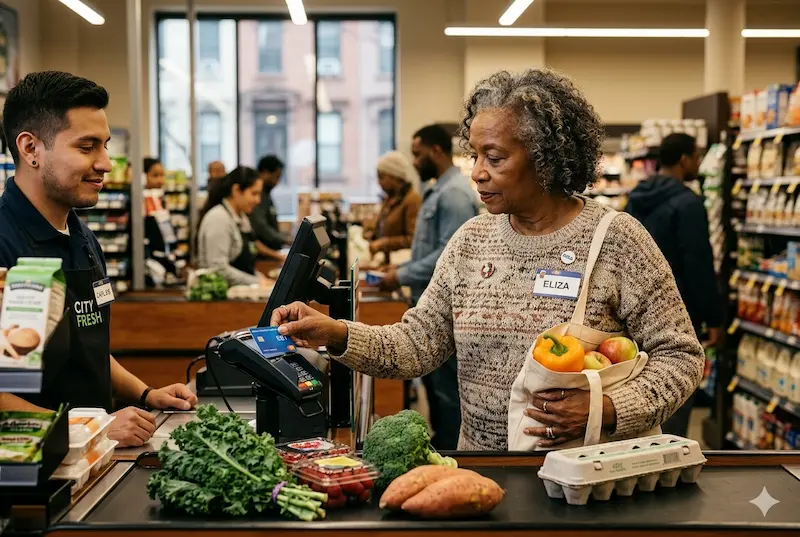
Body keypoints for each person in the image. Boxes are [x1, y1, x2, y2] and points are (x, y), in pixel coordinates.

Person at [271, 68, 705, 451]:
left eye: (494, 158)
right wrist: (336, 333)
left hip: (587, 478)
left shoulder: (618, 240)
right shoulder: (470, 242)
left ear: (544, 159)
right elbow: (417, 345)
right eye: (475, 155)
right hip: (485, 472)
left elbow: (682, 357)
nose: (477, 171)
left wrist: (607, 407)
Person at [0, 71, 197, 445]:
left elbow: (85, 347)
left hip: (92, 465)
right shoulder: (5, 249)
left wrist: (144, 393)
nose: (106, 163)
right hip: (33, 478)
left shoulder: (82, 236)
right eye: (87, 146)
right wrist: (95, 428)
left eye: (104, 145)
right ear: (30, 149)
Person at [379, 124, 479, 451]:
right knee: (435, 386)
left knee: (447, 390)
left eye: (418, 153)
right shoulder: (438, 189)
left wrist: (402, 274)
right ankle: (441, 441)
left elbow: (449, 254)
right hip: (428, 301)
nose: (414, 160)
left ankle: (452, 452)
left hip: (448, 309)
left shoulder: (455, 195)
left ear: (436, 151)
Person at [625, 132, 723, 437]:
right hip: (679, 312)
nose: (697, 162)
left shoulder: (636, 197)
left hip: (634, 313)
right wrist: (714, 316)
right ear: (683, 159)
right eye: (695, 156)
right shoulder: (688, 203)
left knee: (637, 388)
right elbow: (697, 263)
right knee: (675, 389)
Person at [197, 166, 270, 287]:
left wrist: (261, 279)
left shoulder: (242, 217)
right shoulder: (218, 219)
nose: (258, 200)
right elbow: (218, 269)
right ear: (236, 190)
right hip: (222, 299)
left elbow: (245, 267)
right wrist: (256, 282)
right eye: (254, 193)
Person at [365, 150, 422, 265]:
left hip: (401, 266)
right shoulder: (390, 199)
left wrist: (383, 244)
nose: (379, 182)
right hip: (387, 264)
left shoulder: (412, 200)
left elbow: (413, 239)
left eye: (381, 177)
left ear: (395, 176)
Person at [249, 155, 290, 262]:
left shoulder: (266, 194)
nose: (277, 182)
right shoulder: (259, 196)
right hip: (262, 257)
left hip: (270, 252)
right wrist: (284, 239)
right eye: (276, 177)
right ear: (265, 172)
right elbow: (260, 226)